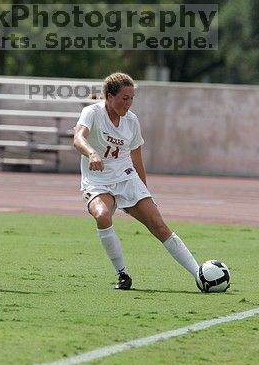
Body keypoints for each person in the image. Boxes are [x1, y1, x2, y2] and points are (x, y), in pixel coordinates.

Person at [73, 72, 201, 290]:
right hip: (97, 180)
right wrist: (93, 154)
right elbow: (78, 138)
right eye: (124, 98)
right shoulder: (92, 112)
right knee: (103, 216)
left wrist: (144, 190)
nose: (129, 103)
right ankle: (123, 274)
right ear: (109, 96)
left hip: (125, 178)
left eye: (132, 98)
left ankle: (199, 274)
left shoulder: (132, 121)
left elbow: (136, 158)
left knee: (159, 225)